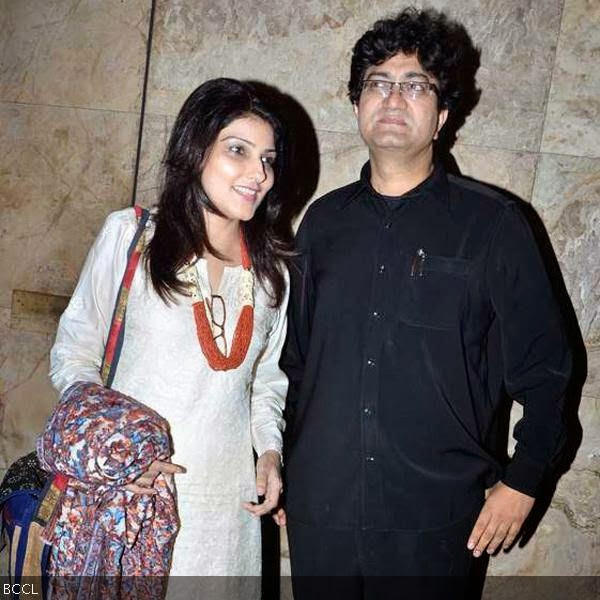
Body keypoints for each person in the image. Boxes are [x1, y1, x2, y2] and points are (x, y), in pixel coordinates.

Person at [280, 8, 571, 599]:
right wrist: (283, 464)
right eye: (377, 84)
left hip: (437, 520)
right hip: (323, 510)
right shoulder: (321, 222)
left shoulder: (495, 225)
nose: (392, 97)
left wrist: (524, 480)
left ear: (441, 115)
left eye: (415, 85)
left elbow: (548, 371)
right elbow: (295, 362)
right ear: (358, 105)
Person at [49, 78, 291, 582]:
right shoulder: (133, 237)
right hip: (128, 498)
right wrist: (116, 452)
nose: (258, 174)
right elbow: (74, 353)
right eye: (238, 151)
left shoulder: (273, 276)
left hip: (229, 514)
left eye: (267, 158)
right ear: (194, 150)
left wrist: (268, 452)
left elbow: (266, 381)